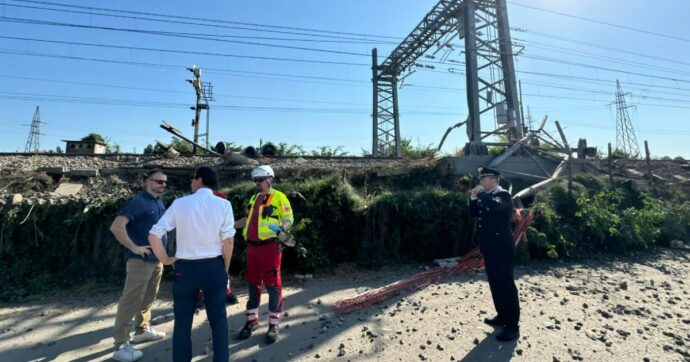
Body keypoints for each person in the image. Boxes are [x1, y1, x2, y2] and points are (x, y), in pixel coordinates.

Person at [149, 166, 235, 362]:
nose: (190, 182)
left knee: (182, 323)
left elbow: (154, 234)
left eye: (192, 178)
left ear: (200, 180)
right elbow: (228, 241)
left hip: (185, 269)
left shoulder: (180, 203)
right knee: (218, 321)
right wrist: (225, 269)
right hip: (213, 267)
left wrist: (165, 259)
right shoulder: (224, 205)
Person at [110, 169, 168, 362]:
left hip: (156, 259)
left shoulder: (158, 201)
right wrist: (134, 248)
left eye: (164, 182)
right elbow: (116, 227)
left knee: (149, 296)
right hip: (140, 261)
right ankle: (121, 345)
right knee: (131, 300)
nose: (162, 185)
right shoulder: (138, 203)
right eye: (158, 181)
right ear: (147, 182)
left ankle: (142, 329)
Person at [234, 165, 294, 344]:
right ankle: (251, 321)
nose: (257, 183)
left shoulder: (279, 197)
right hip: (252, 248)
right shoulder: (253, 199)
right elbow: (246, 220)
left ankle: (273, 324)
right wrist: (228, 225)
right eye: (255, 180)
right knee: (253, 284)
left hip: (269, 248)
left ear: (269, 179)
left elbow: (288, 217)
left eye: (260, 180)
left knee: (273, 287)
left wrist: (283, 228)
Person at [469, 166, 520, 342]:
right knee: (495, 283)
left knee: (506, 285)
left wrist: (482, 195)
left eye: (484, 179)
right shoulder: (487, 196)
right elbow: (474, 213)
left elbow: (496, 208)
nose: (481, 182)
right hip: (490, 248)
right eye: (481, 179)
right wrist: (473, 198)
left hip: (502, 248)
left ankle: (513, 326)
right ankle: (502, 316)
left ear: (494, 180)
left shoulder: (503, 195)